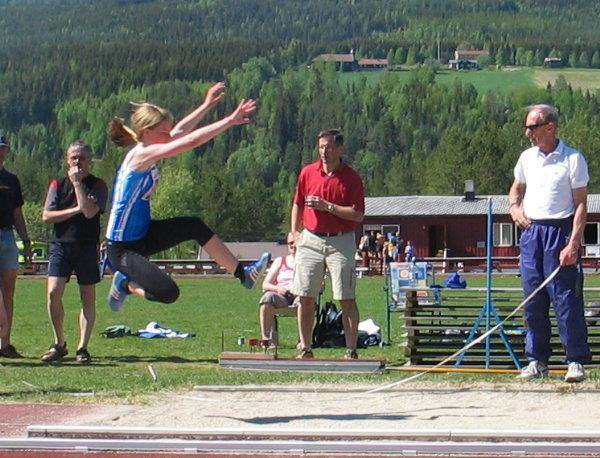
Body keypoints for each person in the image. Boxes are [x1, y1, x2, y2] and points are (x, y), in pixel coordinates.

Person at [106, 83, 270, 311]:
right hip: (122, 248)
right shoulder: (140, 156)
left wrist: (205, 106)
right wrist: (230, 120)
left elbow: (180, 132)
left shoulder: (150, 148)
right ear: (147, 132)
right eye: (164, 132)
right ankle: (125, 285)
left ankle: (244, 275)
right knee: (168, 292)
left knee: (194, 226)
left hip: (144, 235)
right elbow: (191, 141)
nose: (169, 136)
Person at [509, 104, 591, 383]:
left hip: (560, 231)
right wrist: (514, 208)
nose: (527, 133)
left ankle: (575, 359)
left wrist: (574, 243)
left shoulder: (572, 159)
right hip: (533, 233)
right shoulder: (527, 158)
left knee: (566, 298)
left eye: (532, 127)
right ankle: (537, 360)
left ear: (549, 127)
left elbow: (581, 204)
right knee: (533, 298)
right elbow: (516, 187)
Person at [290, 129, 365, 359]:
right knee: (305, 295)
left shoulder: (351, 177)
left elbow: (358, 214)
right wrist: (294, 232)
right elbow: (298, 203)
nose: (324, 151)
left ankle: (351, 350)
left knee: (346, 297)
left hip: (340, 240)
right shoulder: (307, 172)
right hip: (310, 238)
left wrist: (328, 206)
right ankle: (305, 347)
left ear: (340, 149)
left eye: (329, 146)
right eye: (321, 146)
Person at [41, 140, 108, 363]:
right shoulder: (57, 185)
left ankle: (82, 347)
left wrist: (78, 184)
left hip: (87, 245)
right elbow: (47, 216)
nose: (77, 161)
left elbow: (89, 213)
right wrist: (74, 209)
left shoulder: (98, 185)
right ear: (66, 160)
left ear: (90, 160)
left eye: (81, 157)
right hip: (61, 244)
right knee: (53, 293)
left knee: (87, 298)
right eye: (73, 157)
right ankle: (59, 342)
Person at [0, 133, 31, 359]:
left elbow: (17, 213)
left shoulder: (12, 180)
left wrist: (26, 241)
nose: (0, 152)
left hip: (7, 236)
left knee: (8, 292)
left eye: (3, 148)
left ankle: (5, 343)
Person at [258, 233, 297, 347]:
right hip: (282, 296)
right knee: (267, 298)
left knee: (304, 301)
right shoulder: (280, 261)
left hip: (300, 295)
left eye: (296, 242)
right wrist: (278, 289)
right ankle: (266, 340)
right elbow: (265, 284)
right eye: (290, 243)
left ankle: (302, 342)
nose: (293, 245)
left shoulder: (307, 262)